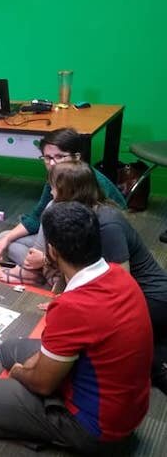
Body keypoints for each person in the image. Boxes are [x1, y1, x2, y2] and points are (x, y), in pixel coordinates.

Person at [0, 201, 153, 454]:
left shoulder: (73, 305)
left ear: (53, 252)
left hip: (98, 429)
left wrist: (19, 372)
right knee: (9, 349)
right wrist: (32, 364)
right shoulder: (117, 273)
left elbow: (42, 384)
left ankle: (52, 433)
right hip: (126, 406)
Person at [38, 160, 167, 393]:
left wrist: (74, 310)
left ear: (68, 192)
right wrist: (60, 299)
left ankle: (156, 365)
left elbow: (120, 283)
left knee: (103, 348)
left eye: (54, 188)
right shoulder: (82, 216)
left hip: (151, 298)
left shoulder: (106, 223)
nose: (51, 193)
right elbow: (78, 268)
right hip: (133, 293)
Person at [0, 128, 125, 282]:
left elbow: (90, 241)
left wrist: (47, 258)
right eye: (47, 158)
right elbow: (37, 217)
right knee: (4, 238)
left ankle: (43, 274)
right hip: (63, 240)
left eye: (59, 157)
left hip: (90, 250)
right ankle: (47, 273)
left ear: (77, 157)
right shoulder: (57, 178)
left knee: (50, 209)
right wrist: (7, 240)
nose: (52, 163)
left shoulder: (89, 183)